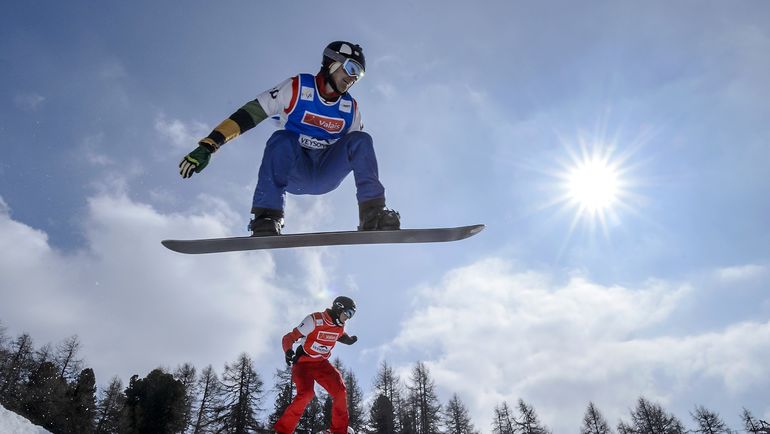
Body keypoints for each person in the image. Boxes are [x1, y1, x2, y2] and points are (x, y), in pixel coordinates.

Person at [178, 41, 400, 236]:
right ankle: (267, 217)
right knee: (282, 139)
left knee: (362, 139)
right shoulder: (296, 88)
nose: (353, 78)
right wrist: (210, 144)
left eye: (359, 75)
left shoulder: (349, 107)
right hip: (296, 170)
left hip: (325, 171)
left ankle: (372, 214)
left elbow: (359, 153)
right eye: (351, 69)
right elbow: (250, 114)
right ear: (332, 62)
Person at [274, 296, 358, 434]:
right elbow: (289, 337)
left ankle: (338, 431)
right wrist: (288, 351)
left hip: (321, 363)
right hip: (303, 364)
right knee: (306, 394)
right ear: (338, 308)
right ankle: (283, 431)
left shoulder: (339, 326)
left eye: (352, 314)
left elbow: (339, 335)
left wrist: (348, 340)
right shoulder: (314, 320)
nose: (349, 317)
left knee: (340, 390)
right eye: (348, 313)